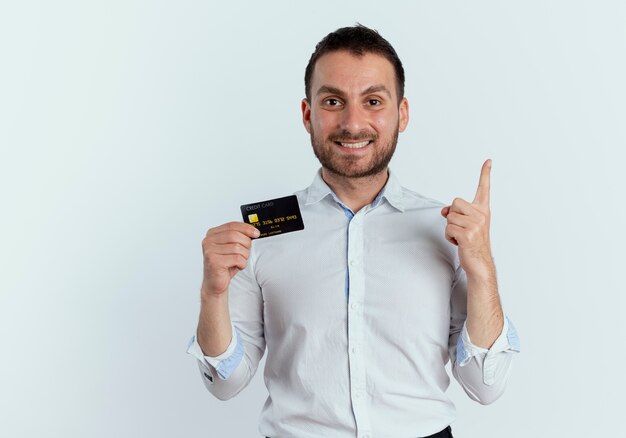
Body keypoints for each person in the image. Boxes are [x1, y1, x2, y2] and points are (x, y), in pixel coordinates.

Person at [187, 24, 520, 438]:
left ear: (402, 113)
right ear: (308, 114)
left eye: (373, 100)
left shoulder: (448, 230)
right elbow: (225, 383)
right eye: (332, 101)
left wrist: (483, 268)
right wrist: (212, 294)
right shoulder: (261, 235)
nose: (353, 122)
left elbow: (486, 387)